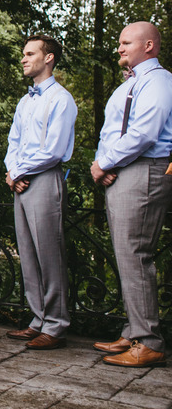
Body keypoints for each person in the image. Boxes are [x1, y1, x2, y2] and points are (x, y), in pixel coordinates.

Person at [90, 21, 172, 367]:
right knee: (126, 254)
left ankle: (149, 341)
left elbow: (143, 133)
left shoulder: (158, 82)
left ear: (149, 46)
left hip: (146, 170)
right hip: (127, 171)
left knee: (136, 254)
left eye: (126, 43)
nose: (120, 48)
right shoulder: (134, 82)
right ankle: (134, 331)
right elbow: (114, 130)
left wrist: (103, 163)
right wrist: (106, 164)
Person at [3, 35, 76, 350]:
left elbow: (55, 150)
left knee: (50, 254)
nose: (23, 58)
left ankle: (56, 325)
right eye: (23, 53)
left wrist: (19, 171)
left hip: (45, 179)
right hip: (21, 183)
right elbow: (13, 143)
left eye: (30, 53)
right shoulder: (25, 100)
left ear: (49, 58)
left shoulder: (61, 99)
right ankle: (38, 320)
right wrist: (11, 173)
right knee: (28, 254)